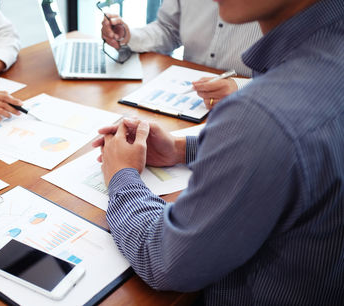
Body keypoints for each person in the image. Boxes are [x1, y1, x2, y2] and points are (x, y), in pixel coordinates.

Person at [93, 0, 344, 304]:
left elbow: (166, 260)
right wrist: (181, 149)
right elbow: (297, 152)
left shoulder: (261, 115)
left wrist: (122, 175)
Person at [100, 0, 262, 108]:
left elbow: (287, 79)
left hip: (252, 105)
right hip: (190, 102)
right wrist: (128, 36)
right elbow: (168, 29)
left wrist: (241, 87)